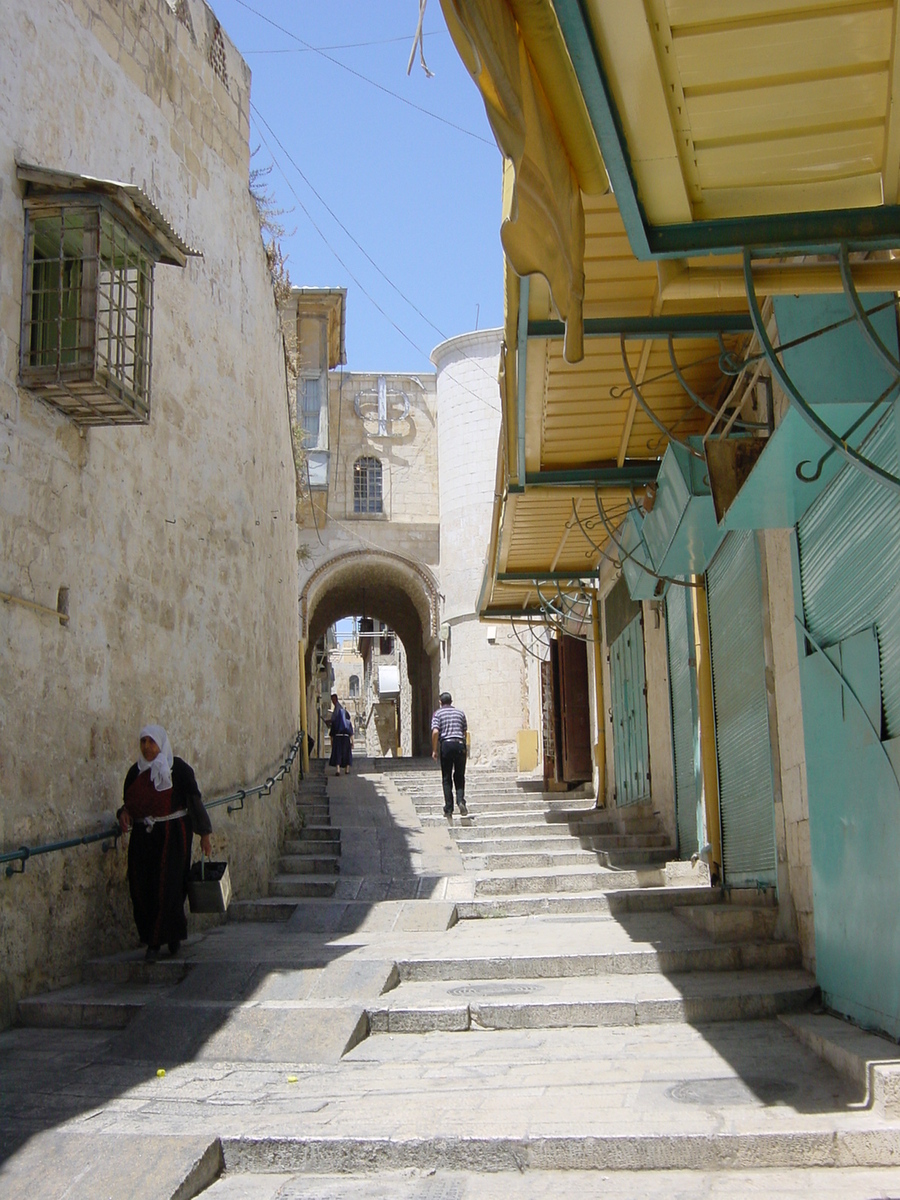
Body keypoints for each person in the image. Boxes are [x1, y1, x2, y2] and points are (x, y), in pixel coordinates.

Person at [117, 724, 212, 961]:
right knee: (143, 886)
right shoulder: (135, 773)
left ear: (161, 743)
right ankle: (152, 936)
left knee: (169, 886)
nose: (147, 747)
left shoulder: (177, 769)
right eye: (143, 742)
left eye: (152, 742)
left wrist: (205, 834)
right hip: (144, 838)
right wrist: (123, 813)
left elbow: (194, 801)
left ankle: (162, 940)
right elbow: (129, 804)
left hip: (173, 836)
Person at [431, 691, 468, 819]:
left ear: (440, 702)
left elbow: (435, 732)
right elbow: (464, 731)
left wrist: (435, 749)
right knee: (459, 775)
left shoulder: (438, 714)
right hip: (460, 744)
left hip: (446, 745)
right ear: (451, 701)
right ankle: (461, 801)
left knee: (447, 778)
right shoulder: (460, 713)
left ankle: (449, 808)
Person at [327, 692, 353, 774]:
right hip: (345, 738)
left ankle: (338, 769)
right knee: (346, 753)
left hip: (337, 737)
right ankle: (347, 769)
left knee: (337, 753)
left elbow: (331, 733)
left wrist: (331, 742)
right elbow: (351, 733)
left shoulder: (337, 711)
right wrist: (352, 742)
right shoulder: (348, 722)